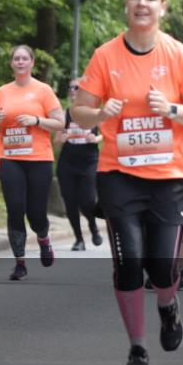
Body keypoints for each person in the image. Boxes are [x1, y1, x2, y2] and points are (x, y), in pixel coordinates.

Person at [72, 0, 183, 365]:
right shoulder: (105, 56)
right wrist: (100, 114)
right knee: (129, 262)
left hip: (170, 177)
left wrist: (171, 109)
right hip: (119, 174)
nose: (142, 3)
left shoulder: (177, 54)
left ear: (162, 8)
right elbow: (79, 109)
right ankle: (137, 348)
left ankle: (168, 307)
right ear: (126, 4)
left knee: (162, 269)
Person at [0, 45, 65, 281]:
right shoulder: (2, 91)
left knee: (35, 212)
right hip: (10, 157)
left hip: (39, 158)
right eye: (16, 58)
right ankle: (20, 262)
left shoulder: (43, 90)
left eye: (25, 58)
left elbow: (60, 122)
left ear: (32, 62)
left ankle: (43, 238)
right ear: (11, 64)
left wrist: (35, 120)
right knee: (15, 208)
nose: (20, 62)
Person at [54, 77, 103, 251]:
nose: (73, 90)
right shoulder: (65, 113)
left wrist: (95, 138)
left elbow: (106, 134)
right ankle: (79, 239)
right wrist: (62, 138)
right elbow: (56, 141)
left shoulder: (95, 112)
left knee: (88, 201)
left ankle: (93, 227)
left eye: (77, 87)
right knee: (70, 201)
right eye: (71, 88)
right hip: (68, 161)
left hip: (89, 160)